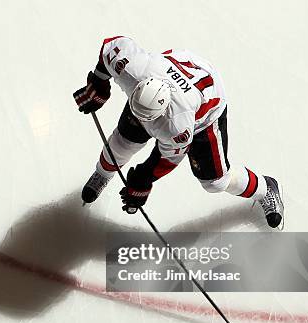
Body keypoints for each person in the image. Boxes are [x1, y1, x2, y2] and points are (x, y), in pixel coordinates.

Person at [73, 36, 284, 228]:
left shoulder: (177, 126)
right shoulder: (133, 69)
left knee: (215, 182)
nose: (139, 120)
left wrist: (145, 177)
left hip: (205, 111)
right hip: (176, 75)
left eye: (147, 118)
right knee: (122, 143)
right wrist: (98, 84)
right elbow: (110, 47)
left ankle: (266, 188)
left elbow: (168, 159)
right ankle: (103, 173)